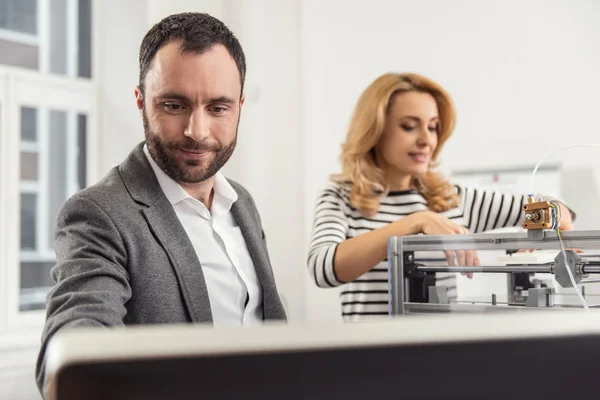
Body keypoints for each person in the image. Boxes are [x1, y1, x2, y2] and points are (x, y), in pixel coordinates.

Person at [35, 12, 286, 394]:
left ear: (239, 105)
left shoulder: (242, 203)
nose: (196, 132)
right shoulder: (98, 214)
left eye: (218, 108)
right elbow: (72, 348)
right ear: (141, 101)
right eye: (174, 105)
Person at [307, 72, 574, 322]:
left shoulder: (450, 199)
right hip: (369, 360)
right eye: (409, 126)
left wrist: (555, 221)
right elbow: (323, 269)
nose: (427, 140)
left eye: (433, 128)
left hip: (439, 356)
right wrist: (416, 221)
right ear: (374, 131)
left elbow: (552, 206)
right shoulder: (341, 198)